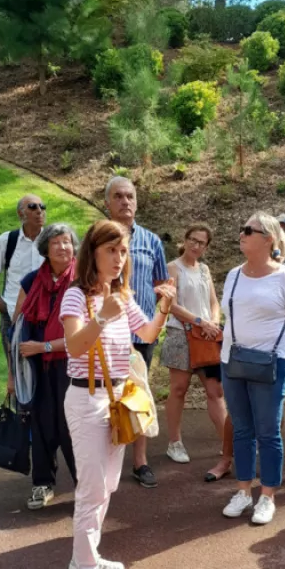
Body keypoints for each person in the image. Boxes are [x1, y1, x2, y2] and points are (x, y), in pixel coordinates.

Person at [61, 220, 176, 569]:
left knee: (107, 486)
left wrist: (163, 309)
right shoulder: (76, 296)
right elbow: (75, 348)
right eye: (111, 250)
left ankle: (82, 561)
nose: (118, 258)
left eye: (123, 251)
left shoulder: (123, 297)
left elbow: (145, 335)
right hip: (86, 398)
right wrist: (103, 316)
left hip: (117, 399)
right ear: (92, 252)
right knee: (91, 490)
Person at [220, 212, 285, 525]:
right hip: (232, 361)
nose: (242, 233)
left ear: (269, 238)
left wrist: (273, 352)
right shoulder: (233, 275)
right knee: (242, 429)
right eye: (242, 228)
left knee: (268, 431)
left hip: (271, 363)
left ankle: (268, 496)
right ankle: (243, 491)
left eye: (250, 230)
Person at [104, 177, 169, 489]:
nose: (125, 202)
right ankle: (106, 461)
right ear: (108, 203)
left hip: (140, 336)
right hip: (103, 335)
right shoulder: (96, 239)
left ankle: (140, 461)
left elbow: (162, 285)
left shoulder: (151, 241)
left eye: (130, 196)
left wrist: (160, 313)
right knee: (105, 398)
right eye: (118, 196)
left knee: (138, 394)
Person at [9, 223, 79, 510]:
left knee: (71, 426)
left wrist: (44, 347)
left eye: (67, 242)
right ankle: (42, 483)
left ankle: (85, 486)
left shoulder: (83, 282)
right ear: (45, 251)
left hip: (73, 366)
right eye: (56, 243)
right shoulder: (30, 282)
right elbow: (16, 333)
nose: (63, 247)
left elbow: (83, 336)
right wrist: (12, 374)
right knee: (40, 424)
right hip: (35, 368)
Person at [161, 224, 231, 481]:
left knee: (216, 391)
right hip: (181, 334)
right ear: (185, 239)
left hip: (206, 337)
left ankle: (227, 445)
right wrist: (201, 322)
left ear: (206, 246)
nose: (196, 245)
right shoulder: (173, 267)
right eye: (192, 239)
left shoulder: (204, 269)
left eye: (201, 242)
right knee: (179, 389)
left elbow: (213, 301)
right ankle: (174, 442)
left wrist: (212, 323)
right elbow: (171, 305)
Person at [0, 195, 46, 365]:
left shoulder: (52, 241)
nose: (39, 211)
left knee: (43, 371)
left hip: (44, 318)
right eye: (33, 207)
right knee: (15, 371)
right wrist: (0, 304)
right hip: (12, 316)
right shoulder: (7, 241)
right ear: (20, 214)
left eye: (42, 206)